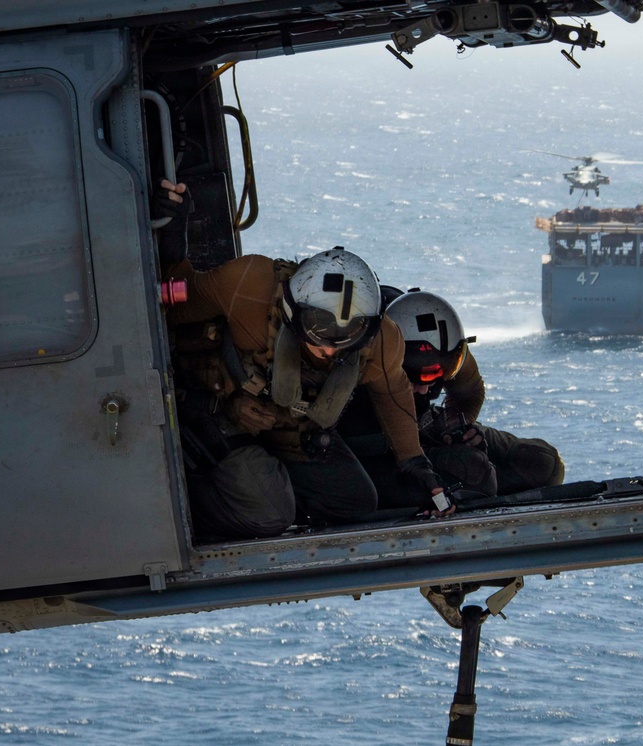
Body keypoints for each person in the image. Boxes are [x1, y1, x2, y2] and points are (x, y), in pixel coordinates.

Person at [154, 180, 449, 540]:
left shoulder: (382, 342)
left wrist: (416, 464)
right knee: (268, 514)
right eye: (319, 338)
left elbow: (393, 396)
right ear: (293, 312)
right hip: (217, 416)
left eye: (344, 342)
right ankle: (189, 503)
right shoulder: (247, 285)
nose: (329, 351)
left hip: (289, 429)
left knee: (354, 503)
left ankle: (265, 487)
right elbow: (171, 301)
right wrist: (172, 229)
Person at [338, 288, 564, 504]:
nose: (425, 390)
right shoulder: (357, 357)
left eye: (435, 379)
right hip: (372, 446)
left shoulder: (442, 343)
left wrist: (456, 426)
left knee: (544, 463)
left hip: (424, 424)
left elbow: (470, 393)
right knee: (474, 474)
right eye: (412, 380)